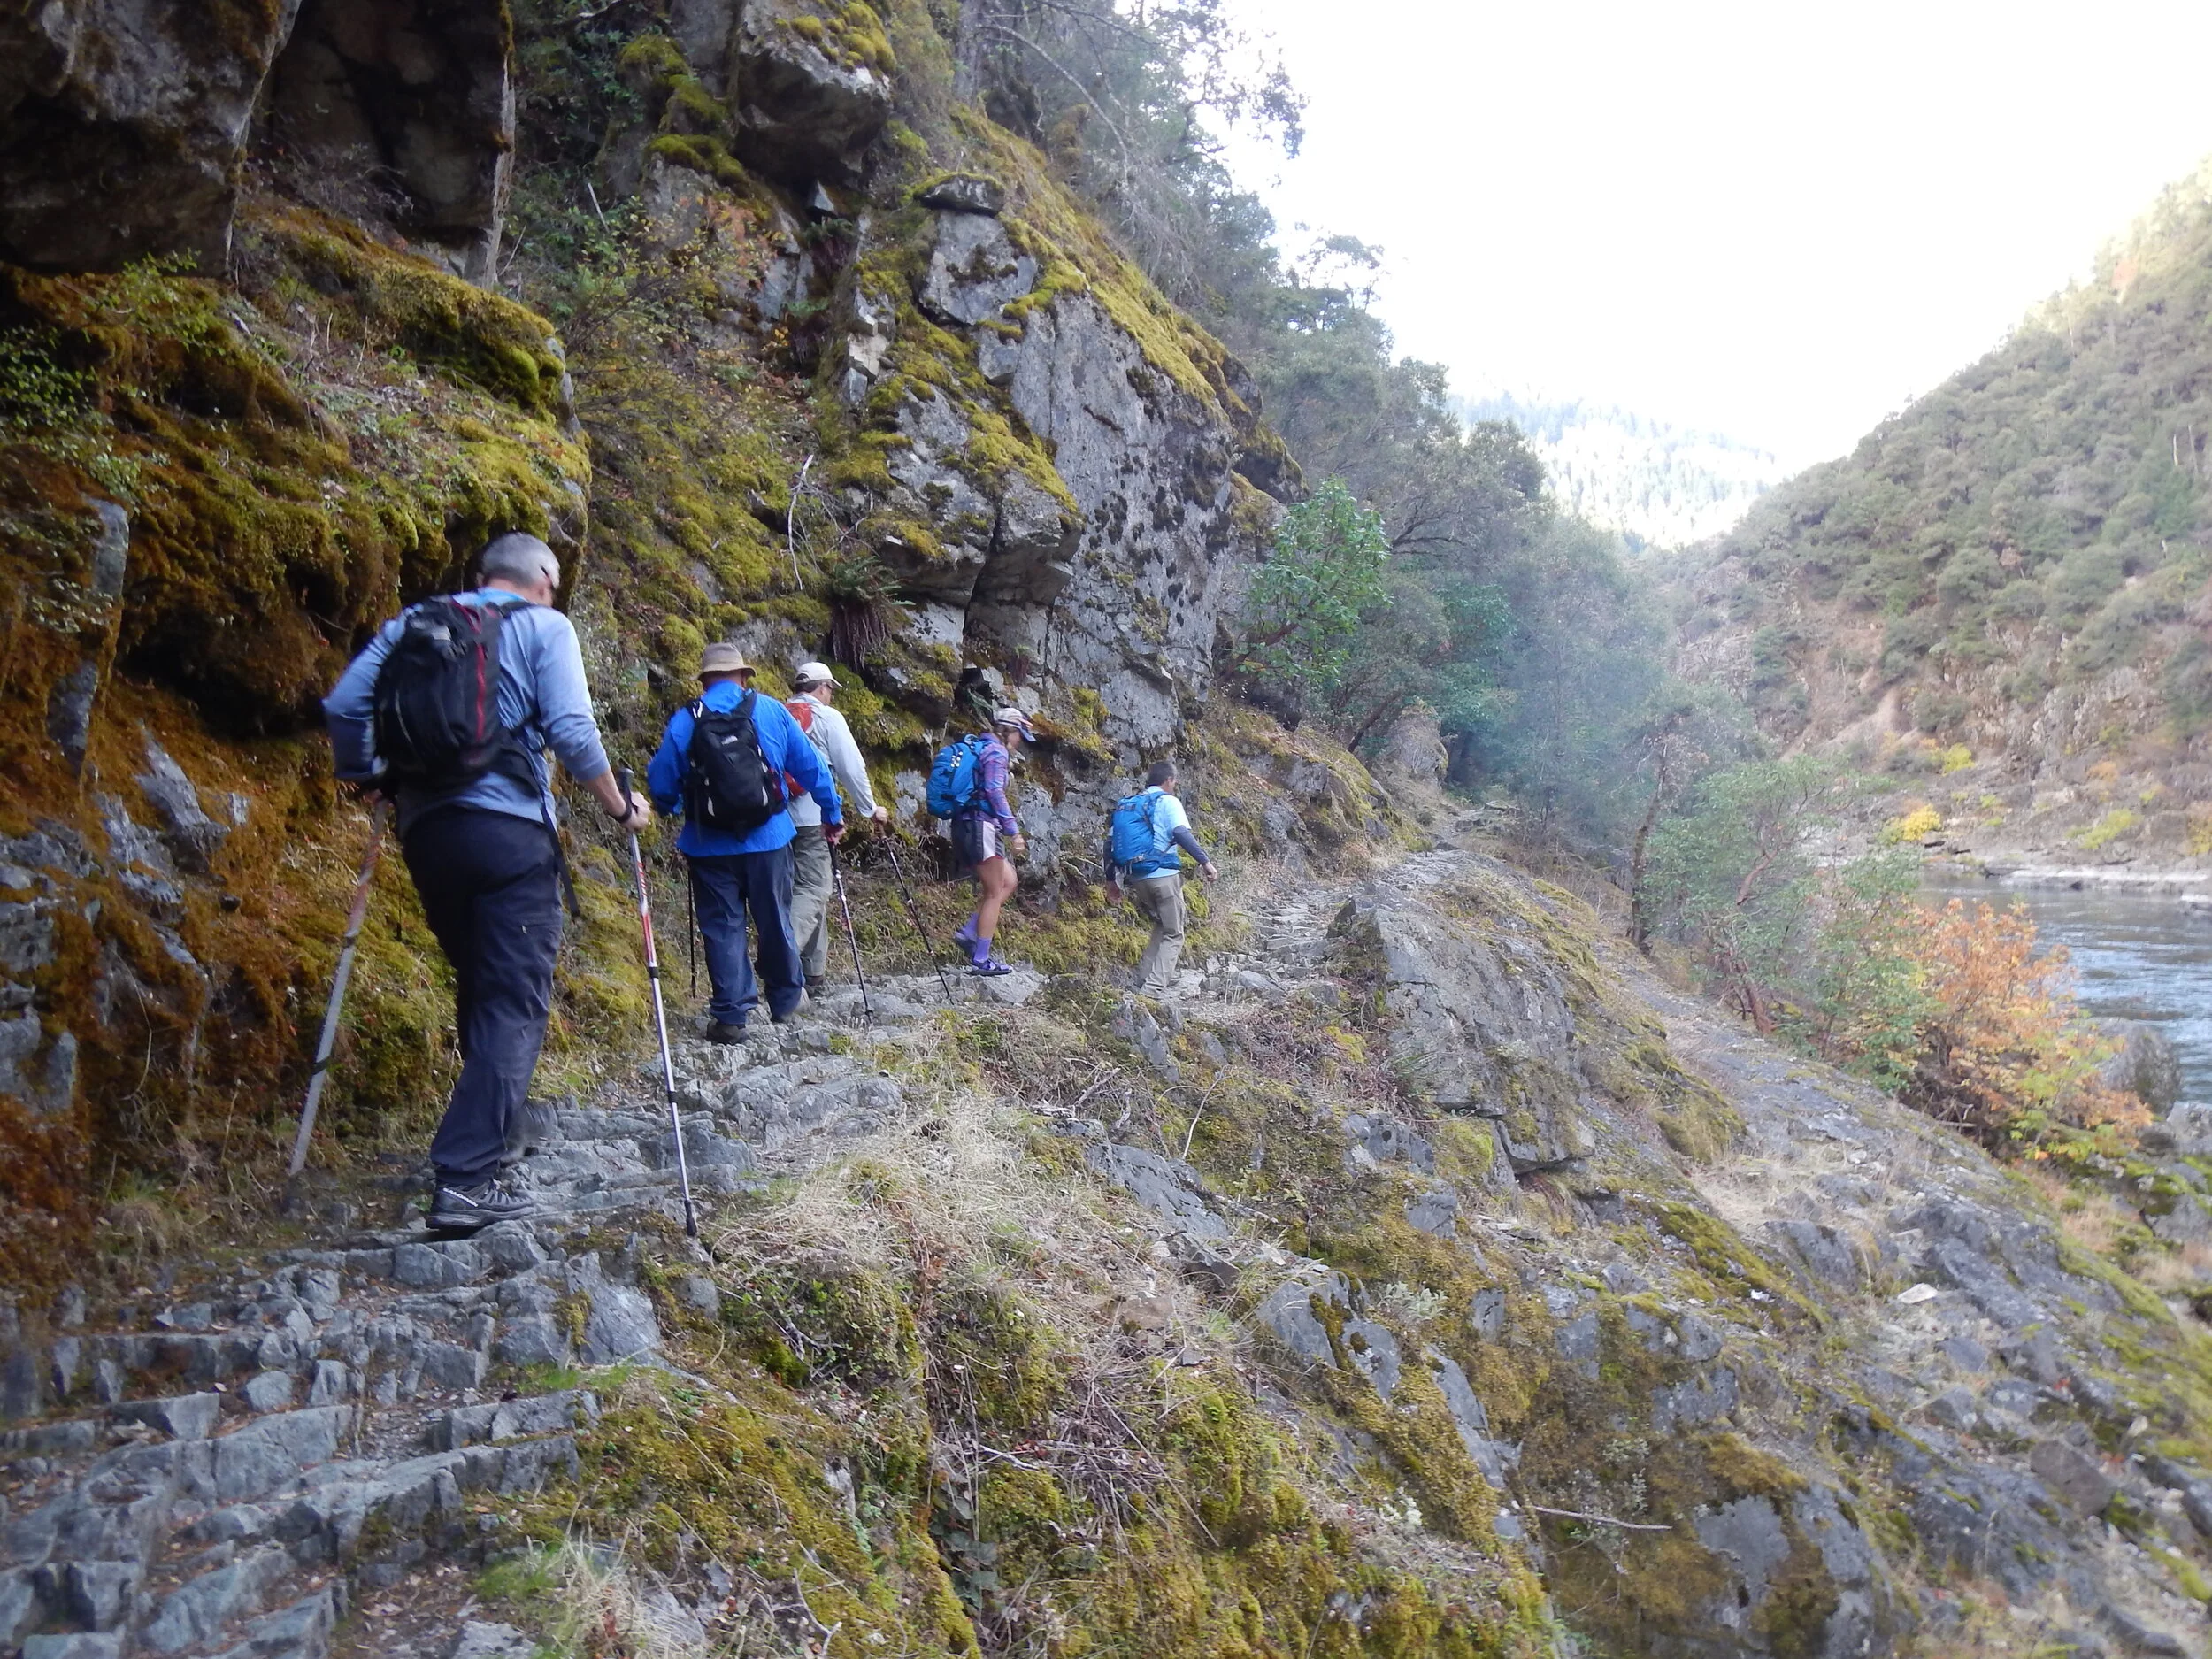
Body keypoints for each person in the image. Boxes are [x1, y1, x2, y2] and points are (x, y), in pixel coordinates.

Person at [325, 532, 645, 1233]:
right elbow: (569, 726)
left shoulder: (414, 623)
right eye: (553, 585)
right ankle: (466, 1176)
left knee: (480, 981)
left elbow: (345, 707)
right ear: (541, 578)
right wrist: (619, 805)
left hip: (428, 833)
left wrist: (373, 775)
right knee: (513, 997)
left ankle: (499, 1130)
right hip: (508, 832)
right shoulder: (543, 625)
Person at [646, 643, 841, 1041]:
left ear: (705, 680)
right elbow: (811, 766)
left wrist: (670, 806)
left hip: (709, 844)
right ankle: (786, 999)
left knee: (722, 926)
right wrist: (832, 814)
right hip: (769, 838)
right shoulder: (769, 711)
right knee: (774, 917)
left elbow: (661, 780)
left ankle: (732, 1016)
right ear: (743, 676)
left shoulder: (687, 719)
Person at [784, 660, 889, 996]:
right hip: (813, 818)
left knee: (800, 890)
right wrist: (870, 808)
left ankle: (812, 972)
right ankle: (782, 959)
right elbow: (851, 767)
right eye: (830, 689)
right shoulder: (829, 718)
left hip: (773, 819)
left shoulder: (776, 714)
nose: (831, 696)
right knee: (815, 888)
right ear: (822, 687)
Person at [1103, 760, 1218, 999]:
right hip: (1163, 875)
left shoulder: (1128, 806)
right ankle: (1153, 990)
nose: (1175, 786)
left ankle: (1144, 978)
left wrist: (1111, 881)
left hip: (1137, 878)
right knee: (1175, 933)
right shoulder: (1168, 802)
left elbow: (1109, 845)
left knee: (1161, 923)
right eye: (1174, 782)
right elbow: (1180, 832)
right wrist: (1205, 862)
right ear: (1168, 780)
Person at [950, 707, 1034, 976]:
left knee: (1008, 881)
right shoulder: (997, 752)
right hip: (981, 825)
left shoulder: (982, 747)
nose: (1020, 740)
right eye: (1019, 734)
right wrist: (1014, 831)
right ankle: (981, 959)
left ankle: (969, 933)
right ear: (1008, 732)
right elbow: (994, 791)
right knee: (994, 893)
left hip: (969, 824)